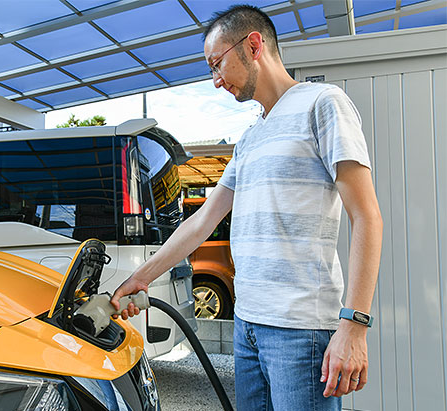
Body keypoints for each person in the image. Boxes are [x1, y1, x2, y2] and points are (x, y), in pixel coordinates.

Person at [111, 4, 383, 411]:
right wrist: (141, 276)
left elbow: (366, 215)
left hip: (300, 328)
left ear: (253, 45)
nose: (216, 81)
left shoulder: (323, 103)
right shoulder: (251, 137)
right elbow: (204, 219)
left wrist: (354, 324)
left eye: (216, 64)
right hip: (248, 323)